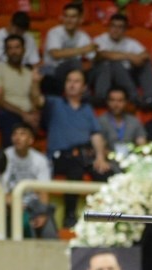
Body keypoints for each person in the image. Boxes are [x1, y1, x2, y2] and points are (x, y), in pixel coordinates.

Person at [33, 68, 112, 229]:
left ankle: (103, 217)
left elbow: (96, 135)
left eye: (76, 81)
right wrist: (35, 82)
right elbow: (36, 100)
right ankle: (69, 216)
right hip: (59, 157)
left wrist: (100, 157)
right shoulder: (55, 103)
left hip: (83, 155)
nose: (72, 85)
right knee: (75, 167)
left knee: (105, 172)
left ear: (83, 87)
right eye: (69, 81)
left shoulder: (87, 109)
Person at [2, 122, 58, 239]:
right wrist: (15, 204)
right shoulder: (5, 156)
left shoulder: (40, 160)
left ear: (31, 140)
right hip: (11, 204)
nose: (17, 138)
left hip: (34, 205)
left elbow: (43, 191)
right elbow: (2, 190)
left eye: (22, 134)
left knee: (49, 232)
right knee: (24, 228)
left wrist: (42, 213)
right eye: (15, 134)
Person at [91, 13, 152, 109]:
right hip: (106, 78)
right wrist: (129, 56)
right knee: (114, 63)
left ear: (125, 29)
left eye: (120, 27)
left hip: (127, 76)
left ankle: (149, 98)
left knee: (146, 63)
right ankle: (133, 97)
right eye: (113, 26)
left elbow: (147, 55)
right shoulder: (100, 39)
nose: (116, 30)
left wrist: (138, 59)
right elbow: (103, 54)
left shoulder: (130, 42)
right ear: (109, 27)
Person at [0, 34, 41, 148]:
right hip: (6, 113)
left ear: (23, 50)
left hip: (27, 113)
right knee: (10, 120)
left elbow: (35, 100)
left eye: (17, 47)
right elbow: (0, 101)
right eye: (10, 48)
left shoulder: (29, 72)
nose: (14, 51)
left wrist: (35, 114)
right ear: (6, 52)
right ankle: (9, 159)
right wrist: (24, 115)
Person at [40, 3, 97, 96]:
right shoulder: (54, 32)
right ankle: (80, 95)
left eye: (73, 17)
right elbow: (55, 54)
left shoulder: (83, 36)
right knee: (74, 62)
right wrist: (83, 50)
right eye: (66, 16)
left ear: (80, 19)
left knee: (100, 67)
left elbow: (93, 56)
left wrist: (99, 52)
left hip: (72, 72)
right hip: (52, 71)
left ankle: (98, 98)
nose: (69, 20)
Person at [97, 87, 147, 171]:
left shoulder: (134, 121)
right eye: (112, 100)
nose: (116, 104)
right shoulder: (101, 121)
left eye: (120, 101)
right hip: (109, 164)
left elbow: (142, 145)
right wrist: (113, 157)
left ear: (126, 102)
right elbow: (100, 146)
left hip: (132, 163)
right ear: (107, 102)